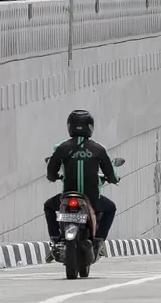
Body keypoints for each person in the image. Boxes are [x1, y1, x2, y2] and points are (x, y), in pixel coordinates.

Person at [45, 110, 120, 258]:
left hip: (67, 196)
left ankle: (54, 239)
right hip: (92, 198)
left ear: (70, 126)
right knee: (110, 208)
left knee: (48, 206)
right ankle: (99, 240)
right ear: (90, 127)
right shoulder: (98, 149)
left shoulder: (61, 148)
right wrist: (114, 179)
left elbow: (51, 171)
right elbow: (110, 173)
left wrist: (54, 177)